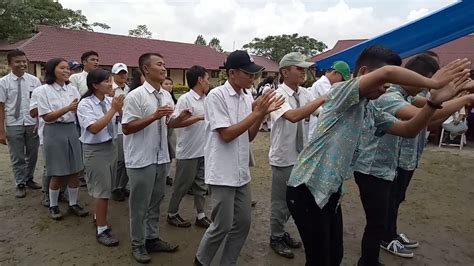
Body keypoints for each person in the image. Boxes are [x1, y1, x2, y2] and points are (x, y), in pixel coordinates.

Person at [285, 45, 470, 266]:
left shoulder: (370, 109)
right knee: (320, 260)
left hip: (329, 193)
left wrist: (432, 102)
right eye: (382, 83)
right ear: (363, 73)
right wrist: (434, 83)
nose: (386, 87)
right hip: (305, 188)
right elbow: (387, 73)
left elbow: (409, 129)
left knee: (334, 256)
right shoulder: (341, 91)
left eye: (388, 84)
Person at [352, 54, 471, 265]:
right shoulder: (389, 97)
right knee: (377, 222)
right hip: (372, 168)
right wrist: (464, 98)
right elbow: (425, 117)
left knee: (384, 215)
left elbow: (423, 121)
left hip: (385, 167)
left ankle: (374, 254)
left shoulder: (404, 96)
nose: (385, 85)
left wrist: (447, 97)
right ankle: (369, 259)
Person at [194, 50, 284, 266]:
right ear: (232, 73)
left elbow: (249, 135)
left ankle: (228, 262)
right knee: (221, 225)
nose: (253, 78)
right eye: (248, 73)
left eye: (254, 74)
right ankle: (201, 261)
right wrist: (256, 113)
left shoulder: (246, 96)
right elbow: (226, 135)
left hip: (240, 169)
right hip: (223, 171)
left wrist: (260, 114)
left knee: (243, 223)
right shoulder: (217, 96)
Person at [122, 52, 191, 263]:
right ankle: (138, 244)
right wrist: (154, 116)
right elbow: (126, 127)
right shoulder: (135, 96)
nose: (164, 68)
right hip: (141, 159)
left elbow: (168, 123)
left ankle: (152, 238)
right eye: (159, 64)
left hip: (161, 158)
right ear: (146, 69)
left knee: (156, 200)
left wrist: (181, 119)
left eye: (164, 64)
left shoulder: (165, 95)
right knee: (140, 204)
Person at [268, 52, 326, 259]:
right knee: (280, 201)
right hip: (283, 156)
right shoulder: (276, 95)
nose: (303, 72)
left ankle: (282, 232)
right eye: (299, 68)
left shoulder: (304, 93)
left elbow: (320, 112)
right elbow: (292, 116)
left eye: (304, 68)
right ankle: (275, 236)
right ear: (285, 72)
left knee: (295, 200)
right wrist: (323, 98)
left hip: (301, 156)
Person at [36, 58, 90, 220]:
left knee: (74, 170)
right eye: (62, 68)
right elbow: (46, 117)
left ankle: (73, 203)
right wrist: (67, 108)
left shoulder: (72, 90)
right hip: (54, 131)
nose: (67, 71)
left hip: (71, 130)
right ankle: (53, 205)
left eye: (68, 68)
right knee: (57, 172)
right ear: (52, 70)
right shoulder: (43, 91)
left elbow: (79, 111)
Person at [77, 68, 125, 246]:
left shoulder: (110, 101)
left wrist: (118, 110)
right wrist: (113, 110)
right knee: (102, 192)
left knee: (106, 188)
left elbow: (122, 119)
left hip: (110, 146)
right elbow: (94, 128)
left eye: (109, 80)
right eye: (106, 81)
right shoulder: (85, 104)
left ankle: (99, 218)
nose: (110, 83)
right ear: (95, 85)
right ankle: (102, 230)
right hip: (95, 150)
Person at [166, 65, 212, 229]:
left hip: (203, 149)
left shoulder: (207, 99)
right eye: (207, 78)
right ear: (200, 80)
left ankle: (201, 215)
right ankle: (172, 213)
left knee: (201, 185)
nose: (208, 81)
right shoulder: (186, 99)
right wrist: (198, 117)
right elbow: (175, 123)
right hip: (188, 151)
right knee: (182, 184)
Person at [0, 49, 42, 198]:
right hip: (13, 123)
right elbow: (1, 107)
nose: (22, 64)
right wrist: (2, 131)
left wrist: (39, 122)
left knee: (33, 154)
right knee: (17, 156)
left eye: (24, 61)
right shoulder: (3, 82)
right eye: (18, 61)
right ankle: (20, 183)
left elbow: (39, 104)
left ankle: (29, 178)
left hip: (32, 123)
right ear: (10, 63)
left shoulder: (35, 81)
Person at [307, 61, 350, 141]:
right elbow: (336, 101)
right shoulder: (322, 84)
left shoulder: (326, 84)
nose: (342, 83)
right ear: (335, 73)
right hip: (318, 128)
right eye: (342, 79)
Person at [110, 63, 130, 202]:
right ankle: (114, 187)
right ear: (114, 75)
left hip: (126, 127)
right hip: (115, 128)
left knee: (126, 160)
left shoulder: (128, 89)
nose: (122, 76)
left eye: (124, 73)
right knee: (118, 161)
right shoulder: (110, 89)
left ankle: (121, 185)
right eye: (119, 73)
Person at [161, 76, 177, 186]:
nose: (169, 86)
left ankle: (166, 174)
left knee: (170, 152)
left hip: (170, 129)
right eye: (166, 84)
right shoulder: (161, 96)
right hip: (163, 127)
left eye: (170, 84)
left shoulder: (170, 97)